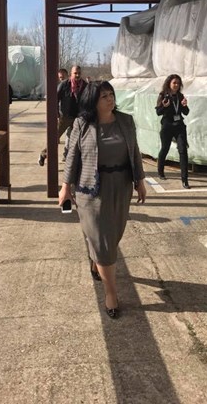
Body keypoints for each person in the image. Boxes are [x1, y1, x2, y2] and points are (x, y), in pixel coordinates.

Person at [58, 81, 146, 319]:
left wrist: (139, 181)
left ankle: (95, 259)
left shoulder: (125, 121)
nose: (110, 99)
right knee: (103, 241)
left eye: (111, 95)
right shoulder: (81, 124)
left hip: (120, 186)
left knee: (112, 235)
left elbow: (134, 152)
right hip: (90, 190)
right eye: (104, 96)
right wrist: (65, 187)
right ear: (93, 101)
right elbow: (72, 157)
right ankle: (111, 294)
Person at [38, 65, 86, 166]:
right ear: (71, 74)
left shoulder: (84, 85)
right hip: (65, 117)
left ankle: (71, 158)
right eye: (75, 73)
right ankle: (43, 154)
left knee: (78, 140)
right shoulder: (64, 85)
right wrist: (56, 113)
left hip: (78, 118)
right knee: (55, 138)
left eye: (79, 73)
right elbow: (55, 99)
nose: (77, 75)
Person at [155, 74, 190, 189]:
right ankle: (160, 171)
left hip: (179, 126)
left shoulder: (180, 96)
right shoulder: (163, 95)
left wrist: (185, 105)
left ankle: (185, 180)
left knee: (183, 150)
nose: (176, 85)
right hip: (167, 126)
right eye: (174, 83)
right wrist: (164, 106)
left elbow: (186, 112)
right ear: (169, 83)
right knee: (165, 148)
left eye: (178, 83)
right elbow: (158, 112)